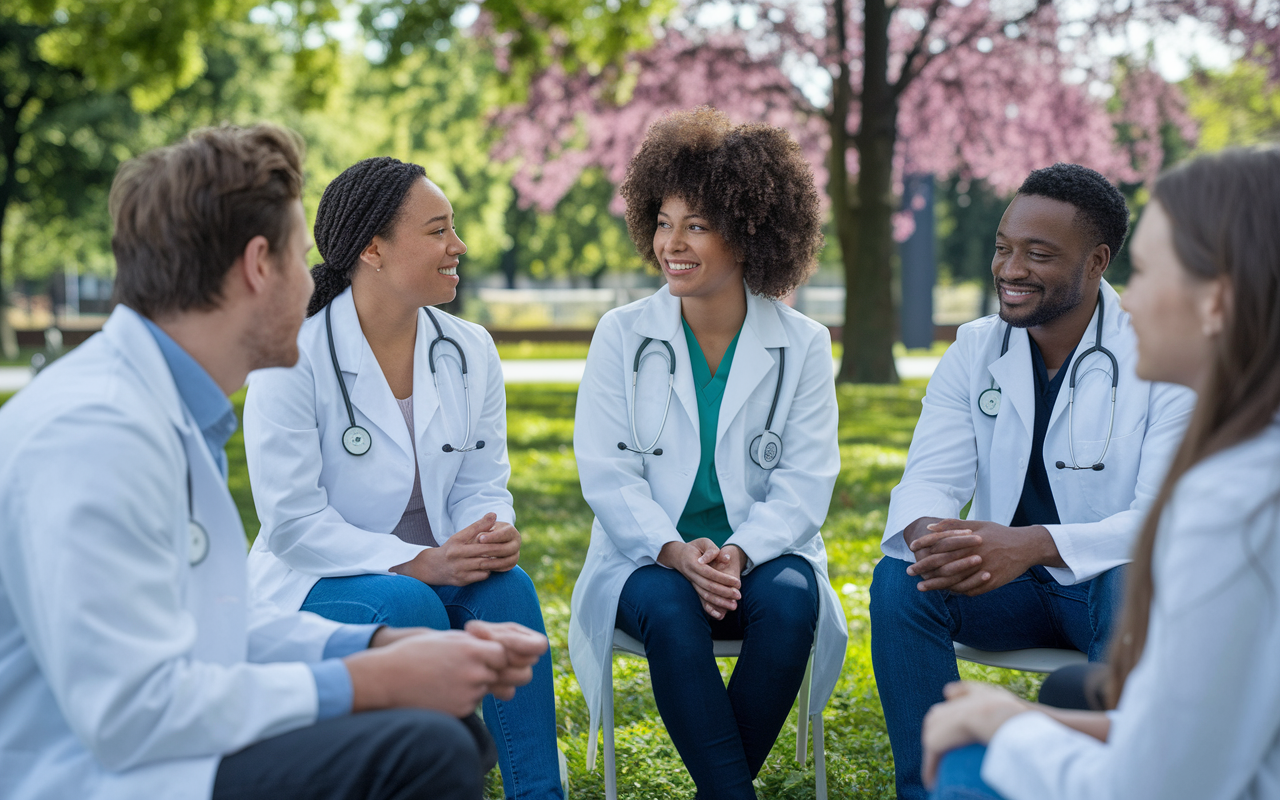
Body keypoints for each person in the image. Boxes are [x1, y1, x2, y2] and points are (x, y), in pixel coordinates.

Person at [0, 124, 547, 800]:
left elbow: (215, 621)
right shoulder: (94, 431)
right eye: (299, 258)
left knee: (445, 739)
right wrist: (369, 679)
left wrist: (377, 650)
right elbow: (129, 715)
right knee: (427, 748)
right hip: (98, 776)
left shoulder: (162, 408)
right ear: (260, 266)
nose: (316, 277)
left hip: (162, 753)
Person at [921, 145, 1280, 800]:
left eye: (1145, 273)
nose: (1130, 302)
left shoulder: (1235, 506)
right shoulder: (1252, 463)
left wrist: (1008, 726)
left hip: (1099, 598)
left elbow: (1161, 783)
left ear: (1217, 303)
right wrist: (1035, 719)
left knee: (970, 764)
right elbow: (1197, 742)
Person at [869, 162, 1196, 799]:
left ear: (1097, 260)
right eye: (1003, 247)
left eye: (1038, 253)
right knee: (903, 578)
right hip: (1002, 590)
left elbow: (1163, 519)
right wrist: (938, 537)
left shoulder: (1161, 357)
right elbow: (929, 479)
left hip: (1106, 592)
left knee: (1134, 582)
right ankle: (930, 788)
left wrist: (1031, 545)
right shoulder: (975, 349)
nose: (1010, 269)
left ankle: (1115, 783)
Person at [242, 156, 562, 800]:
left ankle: (539, 794)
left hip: (439, 564)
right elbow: (293, 524)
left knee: (508, 590)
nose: (458, 246)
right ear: (373, 250)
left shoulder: (469, 348)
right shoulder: (292, 356)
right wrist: (420, 563)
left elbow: (481, 478)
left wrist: (486, 533)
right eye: (438, 230)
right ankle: (442, 776)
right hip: (319, 580)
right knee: (407, 603)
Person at [569, 107, 849, 799]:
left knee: (790, 605)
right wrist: (674, 549)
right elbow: (608, 472)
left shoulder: (803, 344)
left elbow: (806, 482)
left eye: (697, 225)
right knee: (669, 608)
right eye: (664, 222)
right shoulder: (622, 336)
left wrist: (742, 552)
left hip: (760, 556)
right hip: (647, 558)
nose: (673, 243)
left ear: (750, 233)